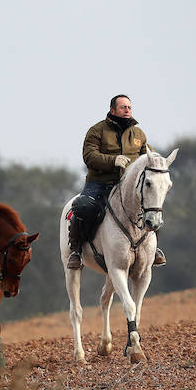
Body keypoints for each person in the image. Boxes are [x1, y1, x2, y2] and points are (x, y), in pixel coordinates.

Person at [67, 94, 166, 269]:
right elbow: (89, 156)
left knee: (153, 204)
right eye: (123, 107)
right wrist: (113, 160)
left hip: (128, 185)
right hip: (99, 182)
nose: (127, 110)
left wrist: (158, 162)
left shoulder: (138, 134)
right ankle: (76, 250)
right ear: (112, 110)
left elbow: (148, 156)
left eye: (129, 107)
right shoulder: (96, 131)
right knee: (82, 206)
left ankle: (154, 249)